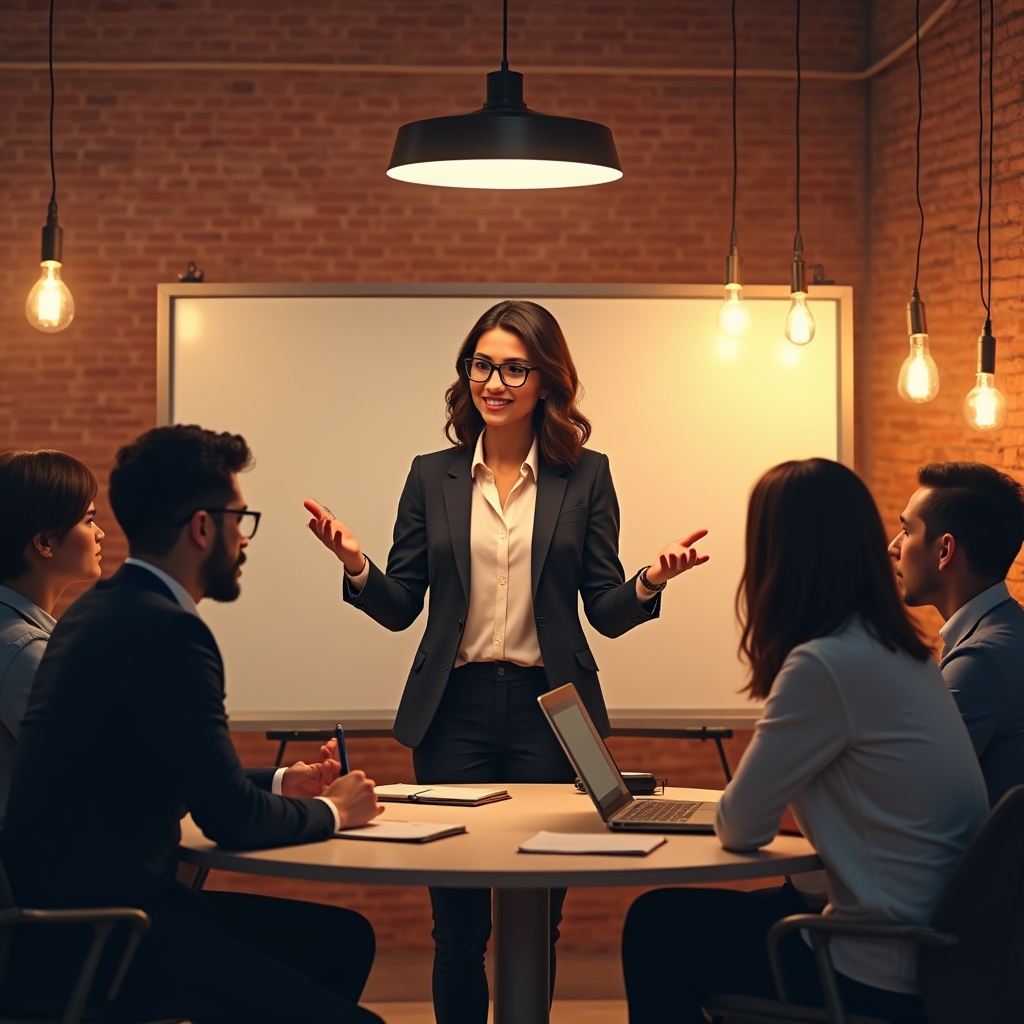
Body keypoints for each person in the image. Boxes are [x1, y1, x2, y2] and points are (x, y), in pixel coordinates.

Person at [304, 298, 709, 1024]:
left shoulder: (585, 476)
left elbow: (604, 612)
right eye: (482, 364)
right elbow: (402, 607)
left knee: (538, 920)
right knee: (458, 928)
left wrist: (650, 581)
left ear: (546, 380)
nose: (494, 381)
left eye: (513, 367)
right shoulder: (431, 476)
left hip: (550, 717)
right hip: (451, 715)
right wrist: (358, 566)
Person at [0, 426, 385, 1024]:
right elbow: (229, 818)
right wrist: (338, 810)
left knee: (341, 940)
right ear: (203, 528)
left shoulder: (99, 612)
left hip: (86, 915)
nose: (244, 541)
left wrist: (283, 782)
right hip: (108, 935)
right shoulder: (168, 632)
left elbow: (177, 772)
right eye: (240, 520)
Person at [621, 458, 989, 1024]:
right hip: (937, 956)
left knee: (655, 923)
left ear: (777, 556)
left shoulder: (824, 663)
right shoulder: (902, 653)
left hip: (874, 968)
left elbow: (741, 827)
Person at [888, 461, 1024, 805]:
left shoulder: (982, 660)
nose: (893, 547)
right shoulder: (1007, 627)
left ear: (945, 551)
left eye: (906, 531)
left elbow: (901, 795)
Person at [0, 450, 104, 826]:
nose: (100, 533)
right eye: (89, 519)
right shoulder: (25, 650)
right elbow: (102, 780)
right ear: (44, 541)